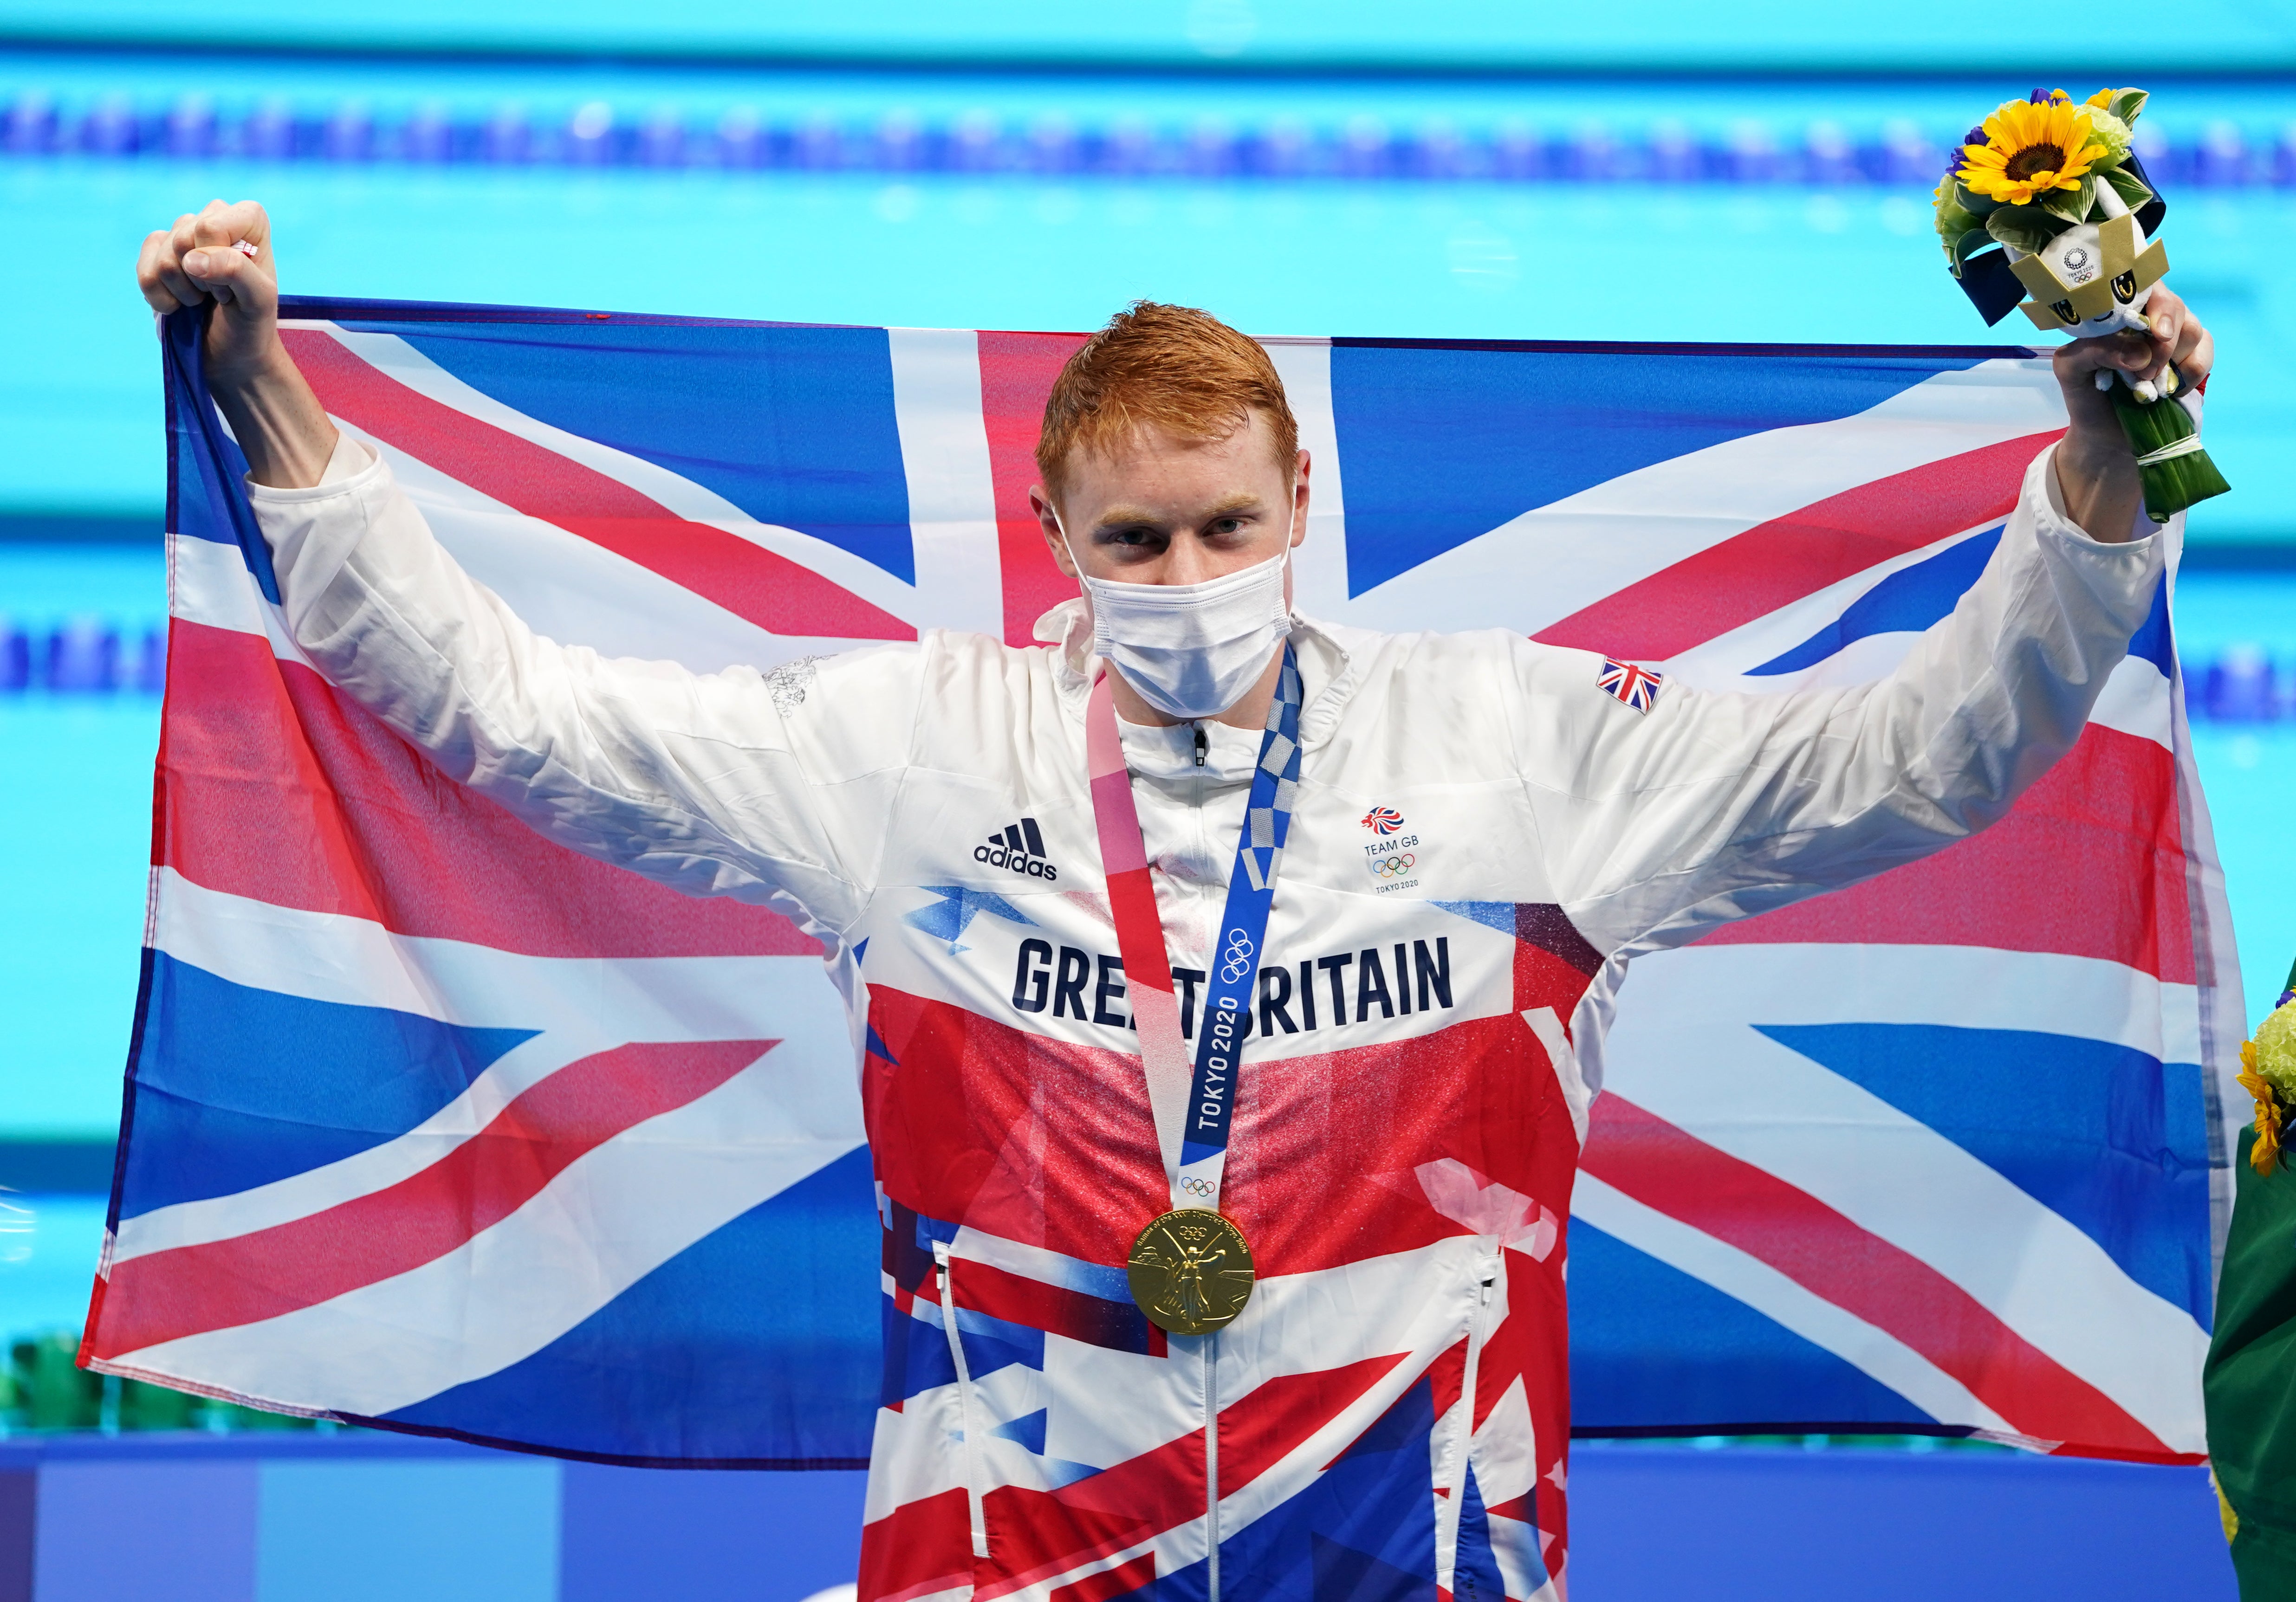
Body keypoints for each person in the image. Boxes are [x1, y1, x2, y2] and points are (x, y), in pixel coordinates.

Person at [138, 198, 2210, 1602]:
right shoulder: (911, 753)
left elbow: (1926, 750)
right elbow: (514, 715)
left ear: (1306, 503)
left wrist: (2099, 486)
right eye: (1134, 536)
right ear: (1050, 529)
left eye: (1227, 523)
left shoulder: (1522, 744)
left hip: (1425, 1552)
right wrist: (276, 409)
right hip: (999, 1548)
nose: (1189, 574)